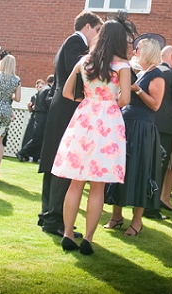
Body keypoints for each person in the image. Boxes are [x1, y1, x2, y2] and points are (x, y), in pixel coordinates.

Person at [51, 19, 132, 255]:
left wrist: (87, 102)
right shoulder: (122, 66)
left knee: (76, 181)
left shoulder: (83, 61)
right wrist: (107, 103)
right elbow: (125, 98)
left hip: (84, 119)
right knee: (98, 184)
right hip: (108, 121)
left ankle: (67, 233)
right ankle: (87, 238)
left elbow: (66, 91)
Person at [38, 11, 104, 237]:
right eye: (97, 31)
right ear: (87, 27)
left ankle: (48, 214)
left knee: (56, 161)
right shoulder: (76, 42)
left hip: (61, 106)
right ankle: (54, 218)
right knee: (65, 163)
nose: (97, 37)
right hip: (67, 107)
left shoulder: (72, 42)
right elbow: (81, 70)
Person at [105, 35, 165, 236]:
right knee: (120, 170)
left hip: (142, 128)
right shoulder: (137, 72)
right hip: (125, 125)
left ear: (147, 51)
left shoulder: (156, 75)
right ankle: (116, 216)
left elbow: (155, 105)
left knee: (140, 172)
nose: (134, 52)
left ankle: (137, 221)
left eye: (137, 49)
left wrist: (137, 89)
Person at [153, 45, 172, 216]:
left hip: (151, 123)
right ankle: (155, 204)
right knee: (161, 165)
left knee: (150, 163)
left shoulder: (152, 71)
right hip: (166, 125)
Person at [17, 75, 54, 162]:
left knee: (37, 137)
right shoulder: (48, 90)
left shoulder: (42, 89)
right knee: (38, 138)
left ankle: (26, 153)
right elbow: (48, 102)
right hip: (43, 115)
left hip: (37, 114)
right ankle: (22, 152)